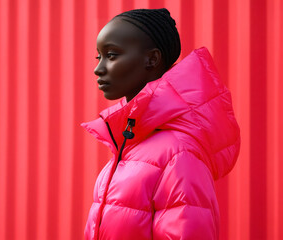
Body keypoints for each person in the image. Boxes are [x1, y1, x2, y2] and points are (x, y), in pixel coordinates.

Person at [81, 8, 241, 240]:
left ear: (152, 59)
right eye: (99, 57)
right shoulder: (130, 144)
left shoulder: (178, 153)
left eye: (112, 55)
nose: (99, 68)